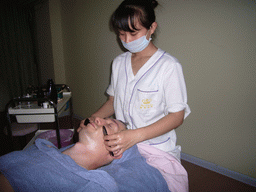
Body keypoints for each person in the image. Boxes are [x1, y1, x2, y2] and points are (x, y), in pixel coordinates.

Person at [90, 1, 191, 191]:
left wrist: (134, 136)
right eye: (121, 34)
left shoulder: (168, 66)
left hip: (157, 148)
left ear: (151, 28)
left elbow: (177, 116)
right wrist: (92, 119)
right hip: (123, 144)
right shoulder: (118, 63)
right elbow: (112, 102)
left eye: (133, 33)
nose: (127, 40)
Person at [0, 117, 169, 192]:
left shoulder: (93, 185)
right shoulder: (43, 148)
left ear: (115, 151)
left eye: (109, 125)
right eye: (103, 119)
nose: (97, 119)